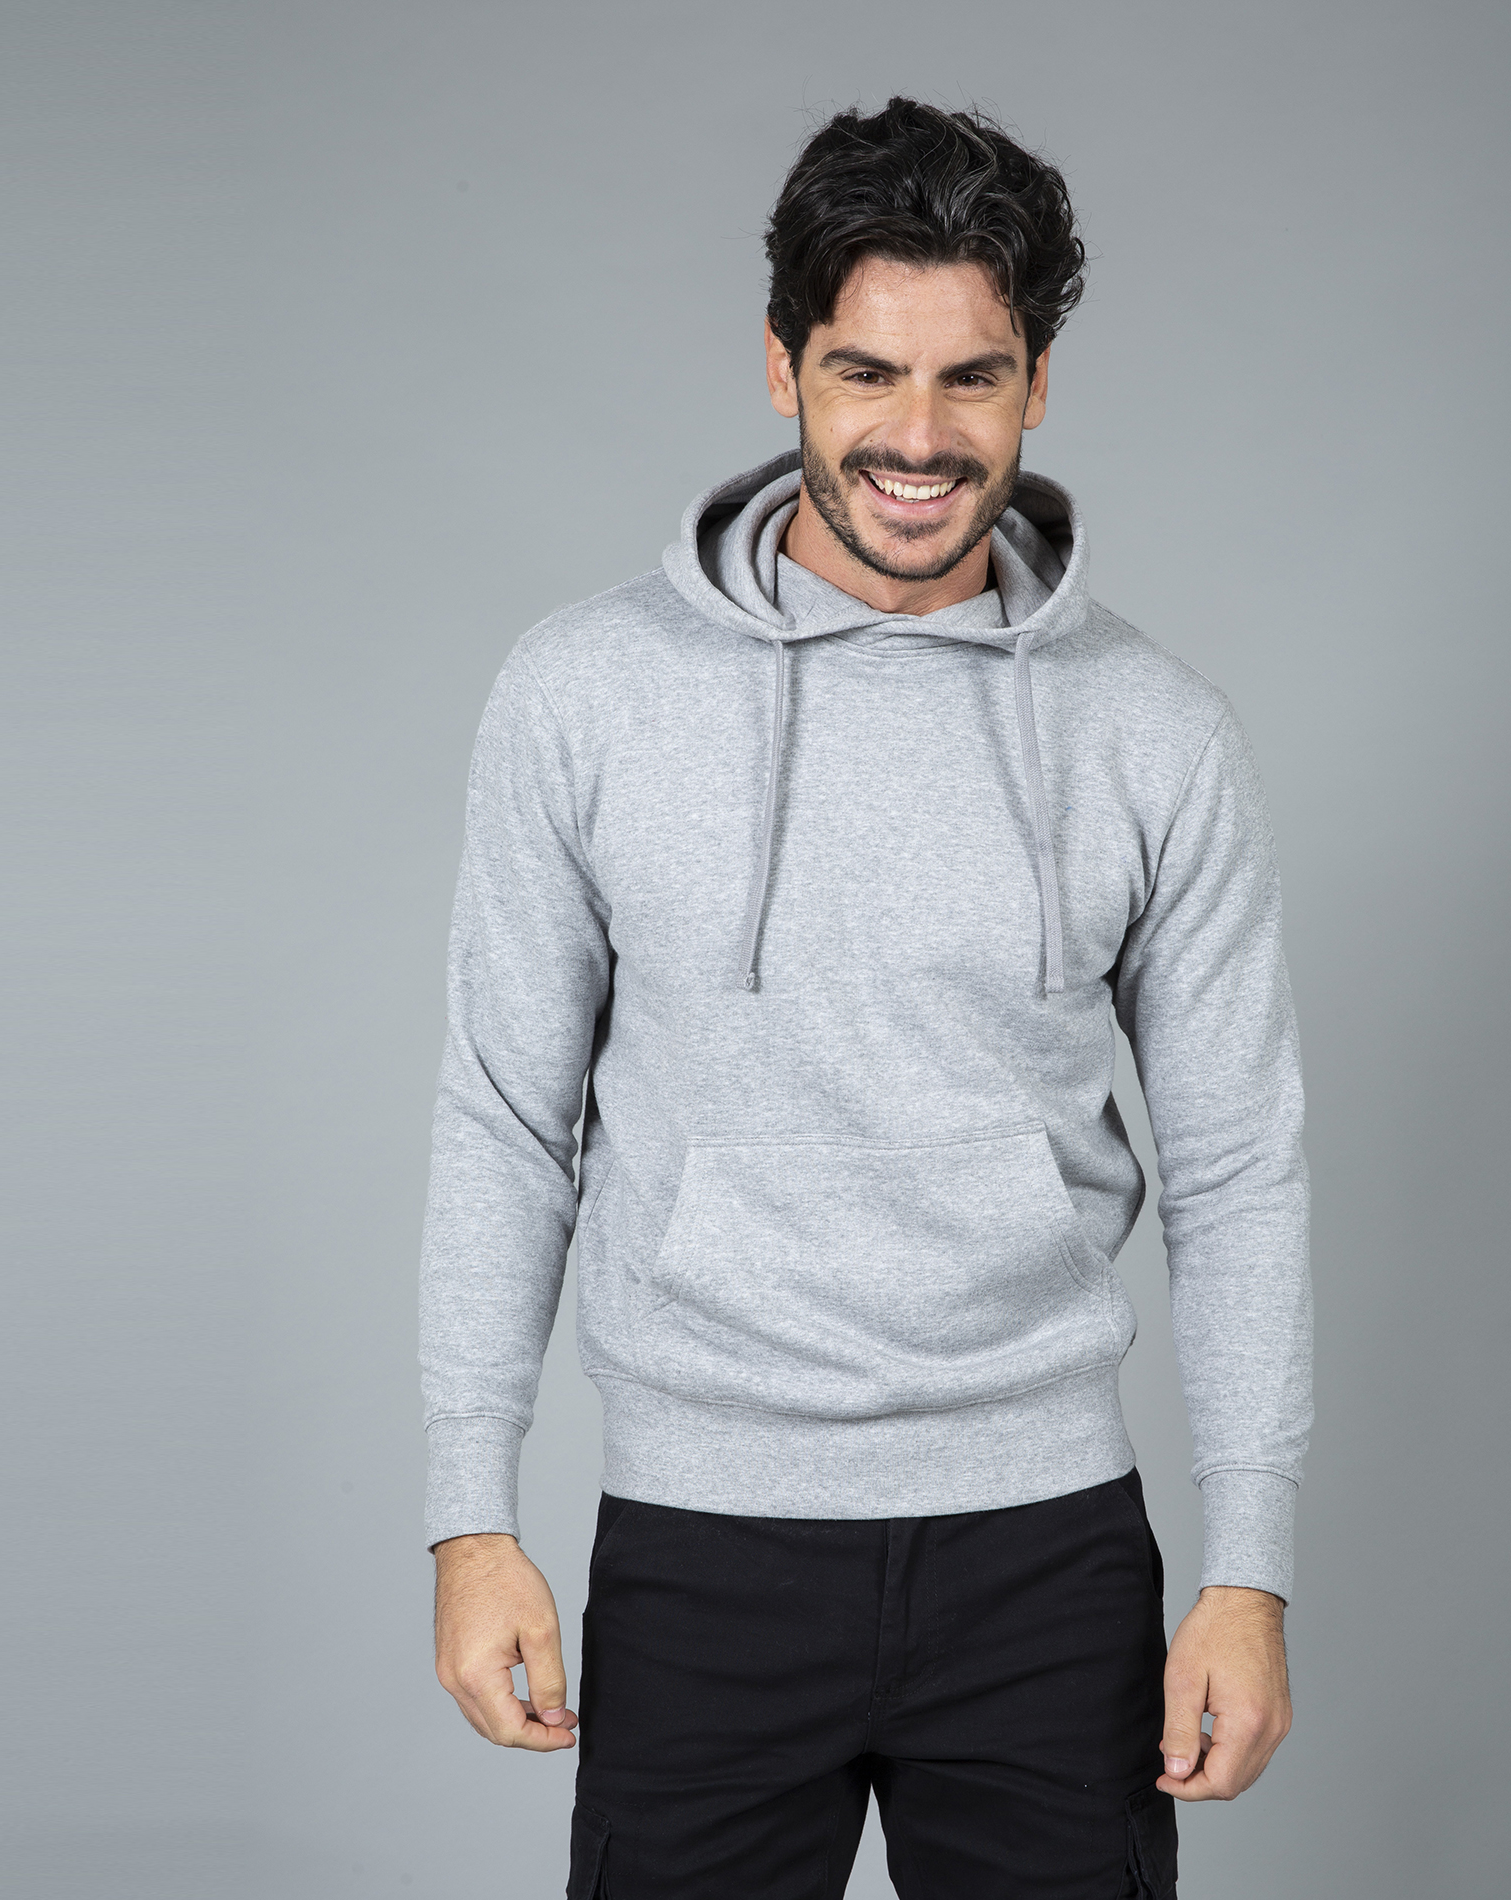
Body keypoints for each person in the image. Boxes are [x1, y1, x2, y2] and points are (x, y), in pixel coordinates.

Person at [419, 96, 1312, 1900]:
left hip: (1047, 1557)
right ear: (782, 367)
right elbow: (505, 1119)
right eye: (865, 373)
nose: (918, 436)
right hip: (703, 1541)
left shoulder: (1153, 731)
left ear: (1038, 381)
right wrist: (469, 1515)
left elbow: (1239, 1170)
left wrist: (1251, 1567)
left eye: (972, 377)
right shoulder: (584, 694)